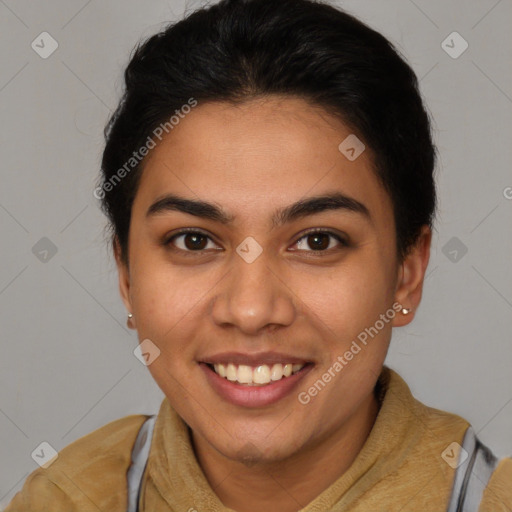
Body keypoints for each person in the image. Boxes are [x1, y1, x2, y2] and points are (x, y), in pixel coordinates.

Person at [6, 0, 511, 510]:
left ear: (408, 272)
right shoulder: (66, 499)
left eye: (318, 241)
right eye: (194, 241)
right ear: (126, 274)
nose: (251, 311)